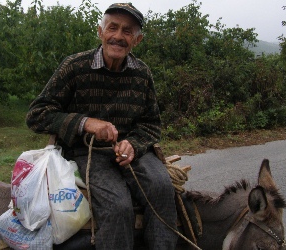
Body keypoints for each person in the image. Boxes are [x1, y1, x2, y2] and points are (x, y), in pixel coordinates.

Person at [26, 3, 178, 249]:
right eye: (113, 28)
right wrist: (86, 123)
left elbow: (151, 124)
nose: (118, 36)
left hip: (130, 153)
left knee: (162, 188)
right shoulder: (74, 67)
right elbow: (36, 115)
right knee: (117, 206)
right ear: (100, 31)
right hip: (88, 152)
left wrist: (134, 145)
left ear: (137, 40)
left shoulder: (142, 74)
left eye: (127, 31)